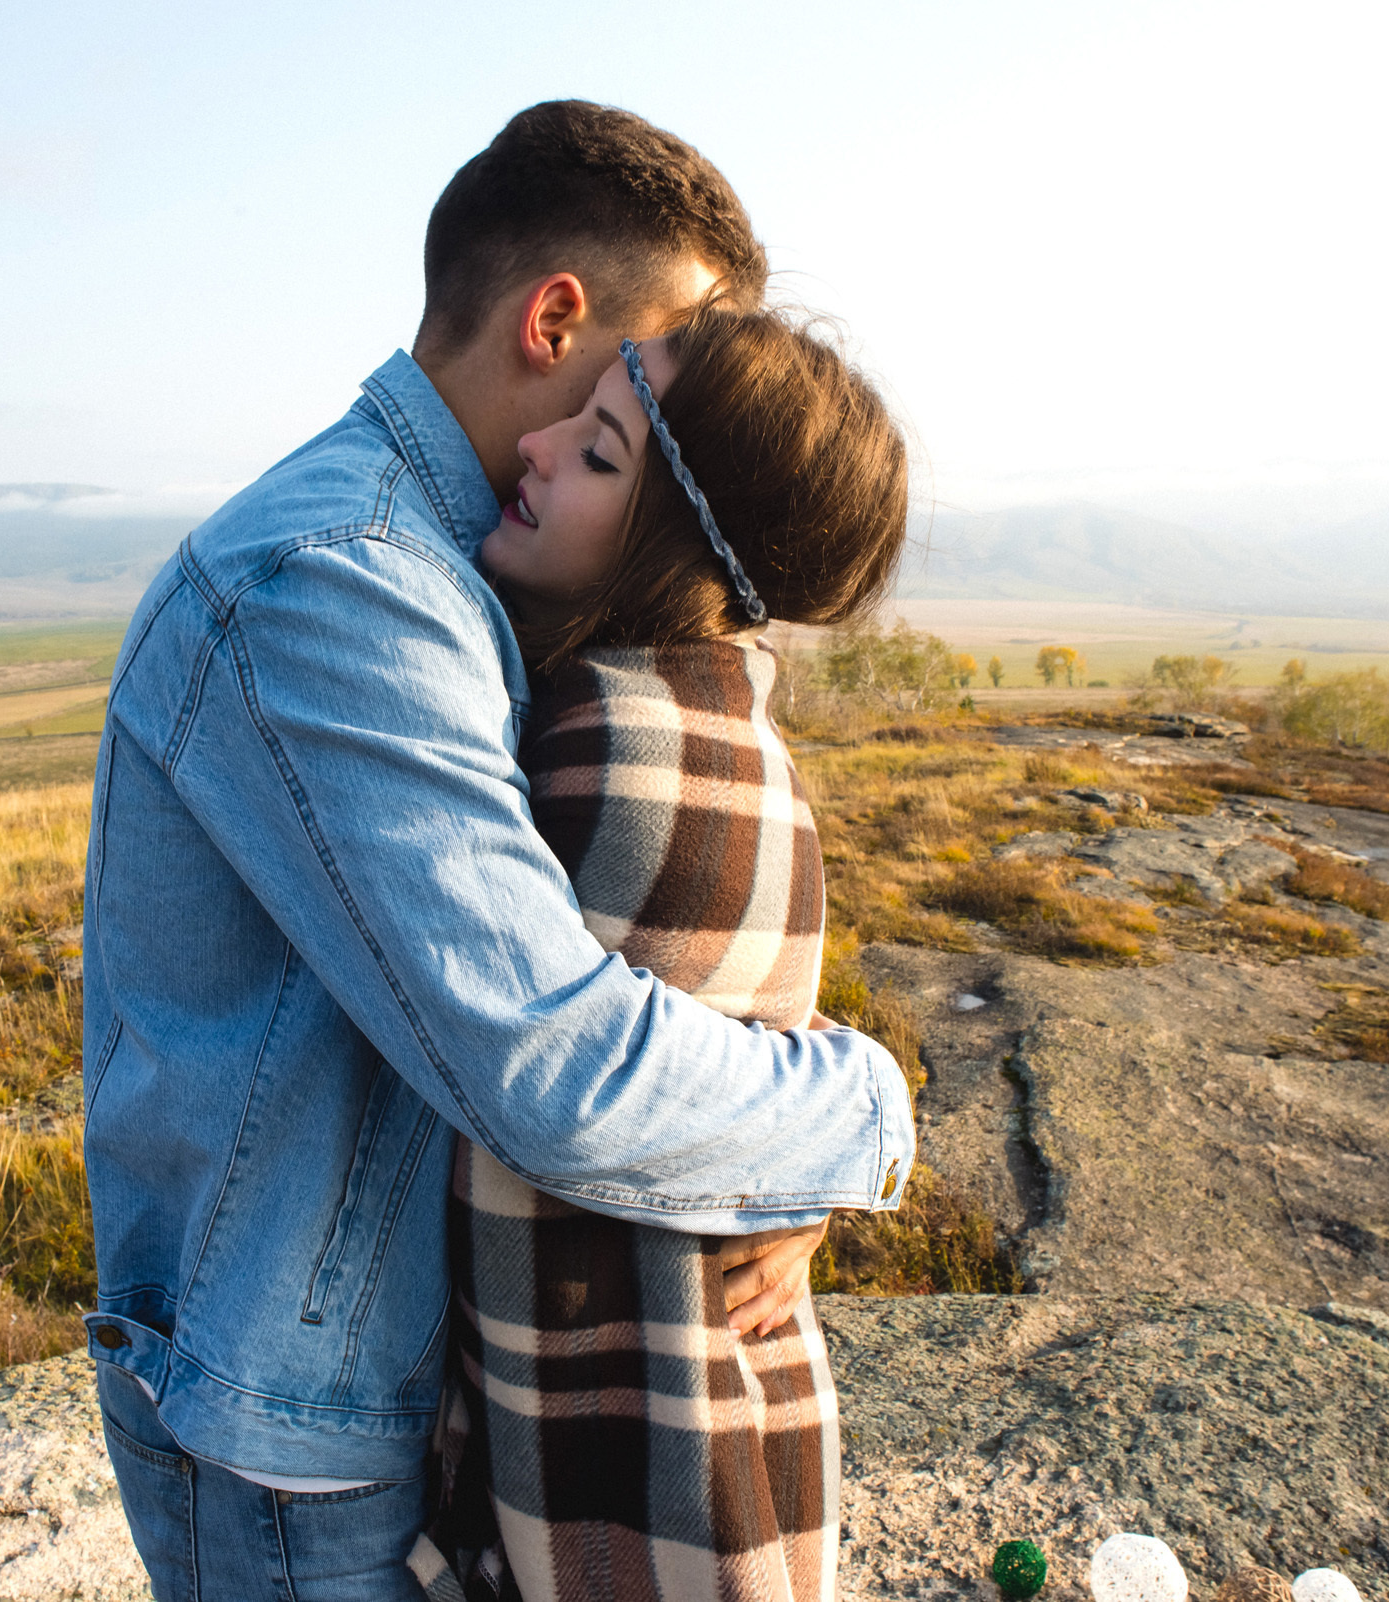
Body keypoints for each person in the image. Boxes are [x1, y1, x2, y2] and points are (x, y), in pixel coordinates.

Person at [80, 101, 914, 1602]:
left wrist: (753, 1179)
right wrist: (855, 1117)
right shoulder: (341, 585)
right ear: (558, 322)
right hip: (294, 1447)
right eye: (664, 372)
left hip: (360, 1405)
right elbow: (548, 1061)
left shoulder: (454, 575)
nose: (693, 413)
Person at [410, 304, 908, 1602]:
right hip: (722, 1460)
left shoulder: (610, 758)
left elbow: (544, 1109)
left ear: (673, 540)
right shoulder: (742, 739)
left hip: (618, 1500)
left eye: (601, 454)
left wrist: (851, 1131)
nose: (540, 441)